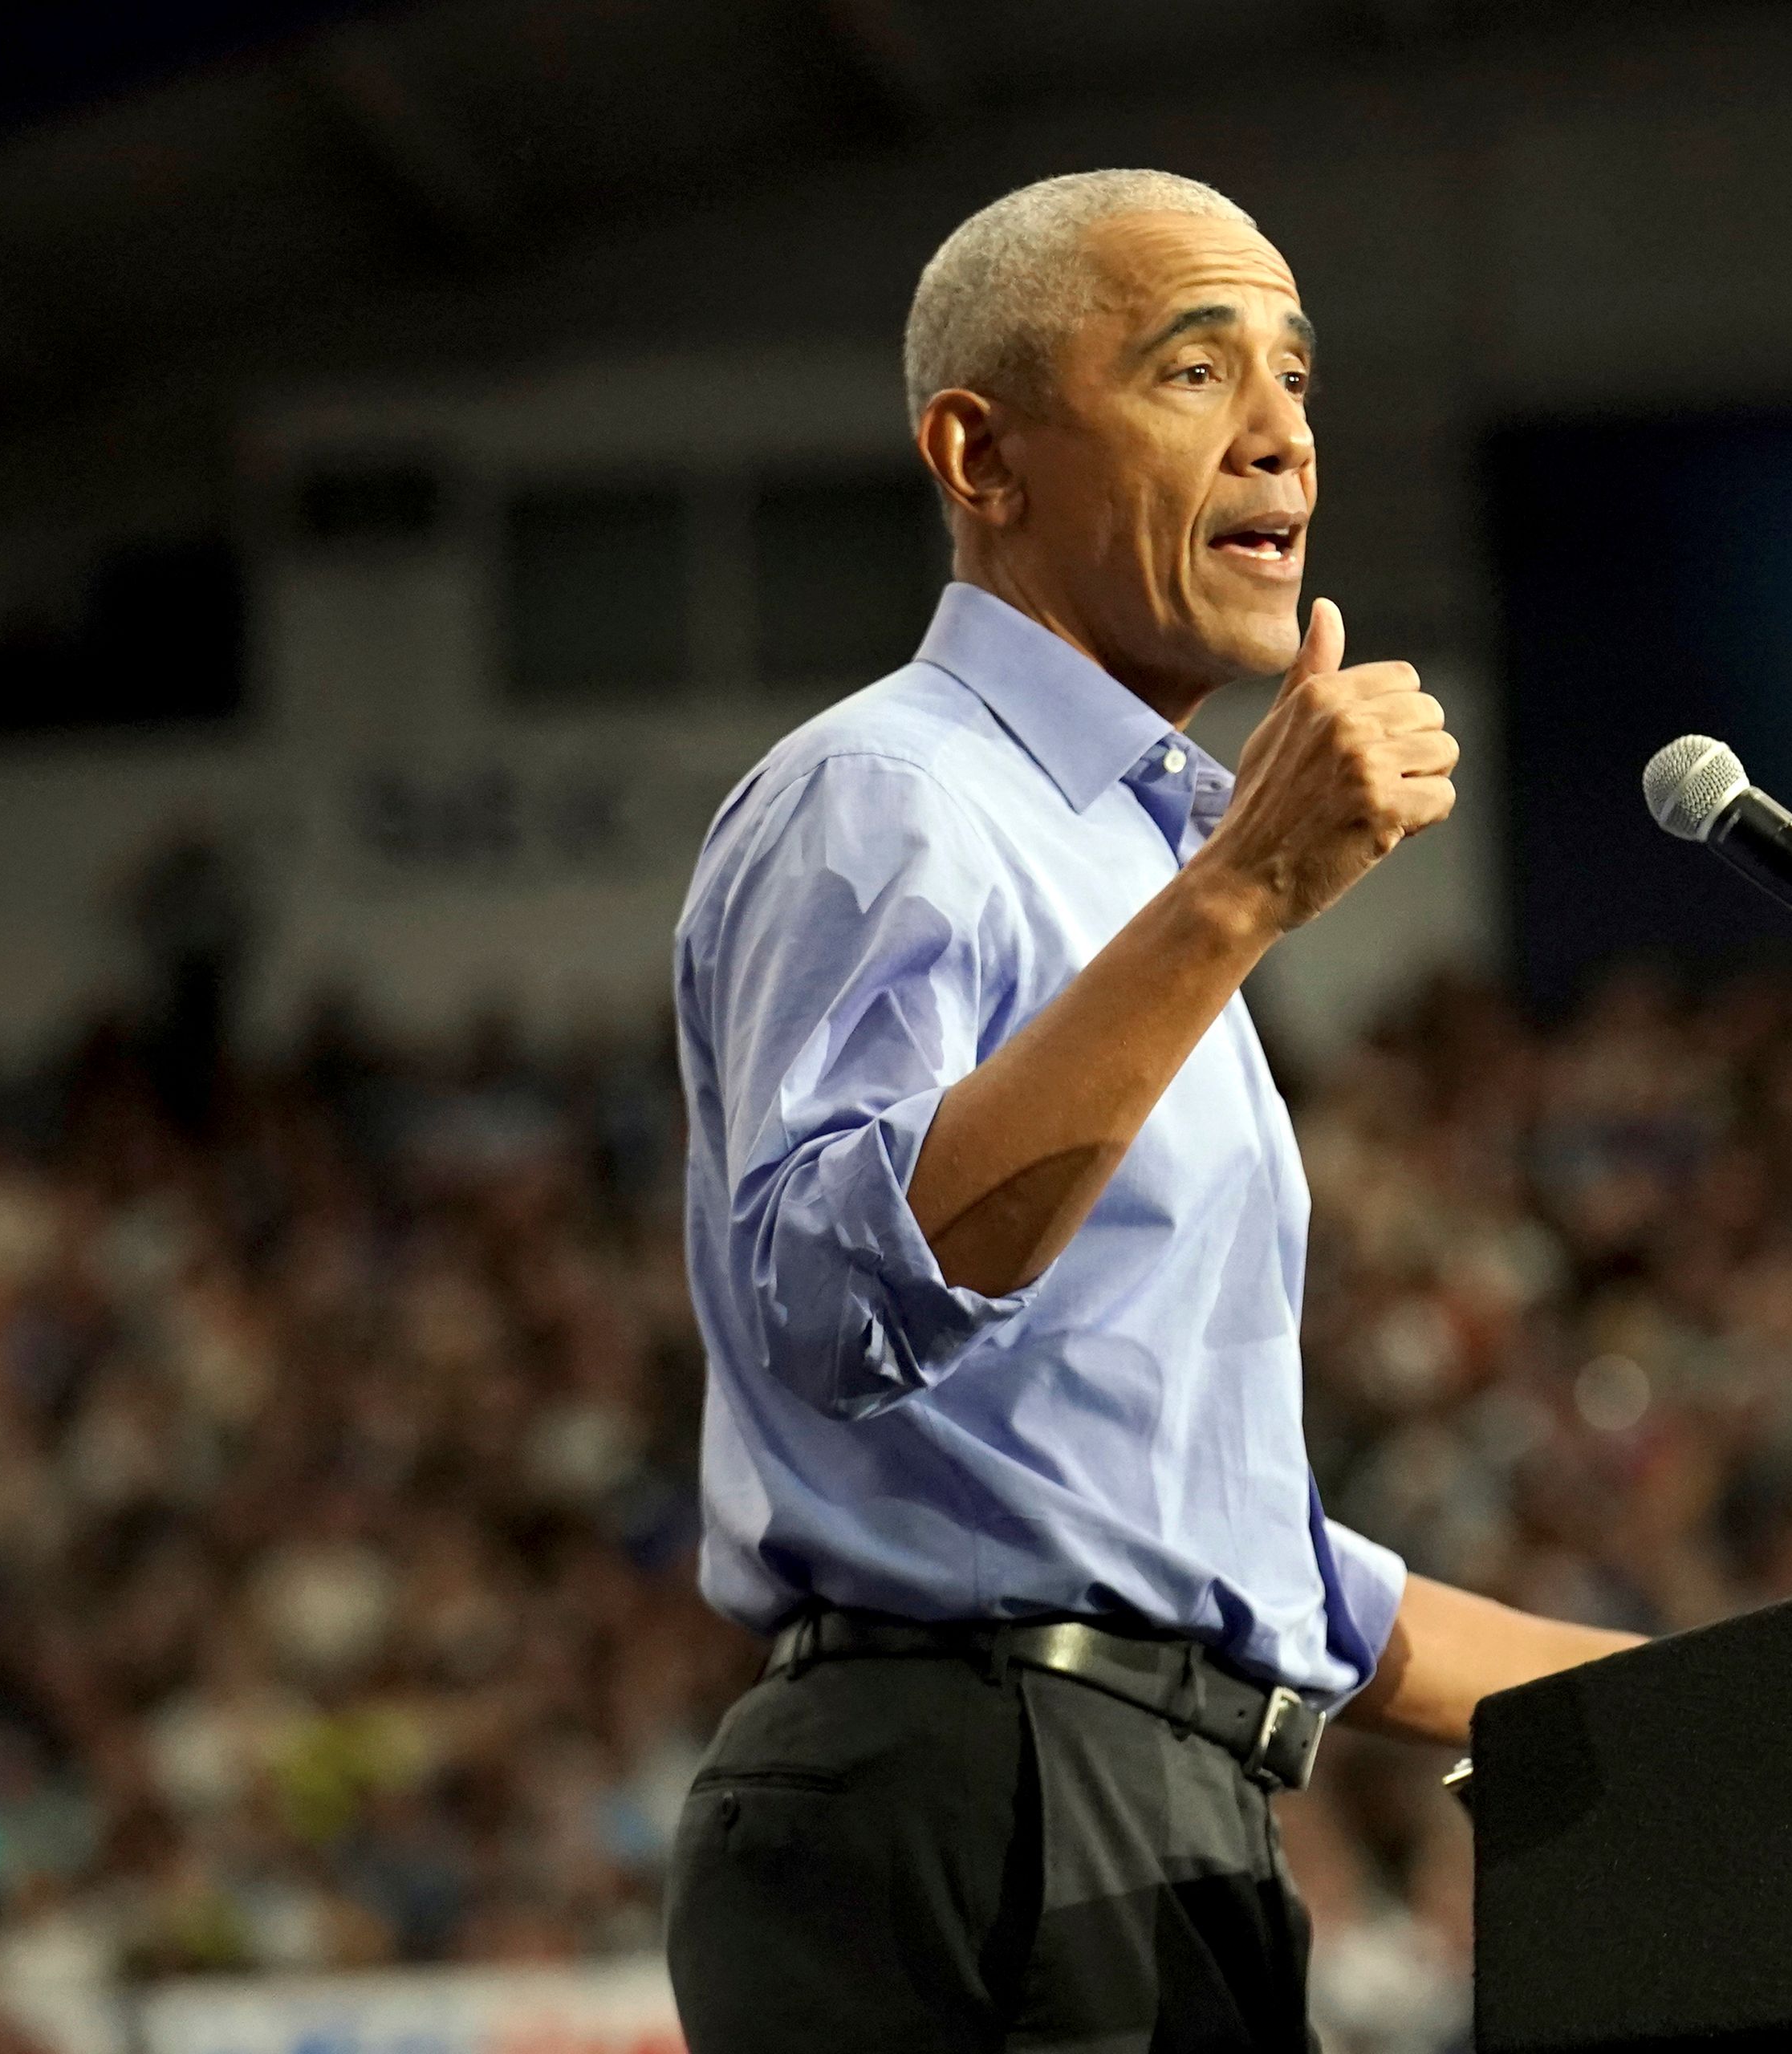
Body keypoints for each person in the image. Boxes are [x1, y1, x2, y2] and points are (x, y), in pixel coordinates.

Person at [661, 170, 1640, 2052]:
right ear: (982, 452)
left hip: (1150, 1800)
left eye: (1295, 376)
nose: (1284, 434)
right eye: (1196, 370)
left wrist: (1741, 1697)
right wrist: (1242, 896)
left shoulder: (1123, 867)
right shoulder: (891, 794)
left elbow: (1217, 1550)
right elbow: (823, 1295)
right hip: (978, 1797)